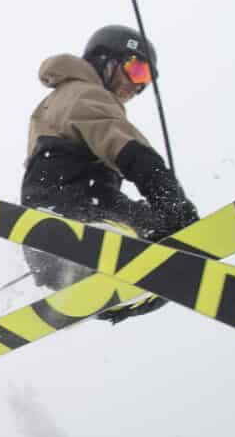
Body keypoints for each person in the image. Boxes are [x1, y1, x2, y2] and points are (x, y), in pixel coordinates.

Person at [20, 25, 201, 316]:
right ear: (105, 59)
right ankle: (114, 251)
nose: (138, 86)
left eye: (146, 81)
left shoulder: (58, 99)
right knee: (164, 233)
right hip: (78, 211)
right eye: (137, 70)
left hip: (47, 225)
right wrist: (172, 202)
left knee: (158, 238)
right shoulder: (86, 94)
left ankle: (100, 274)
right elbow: (127, 149)